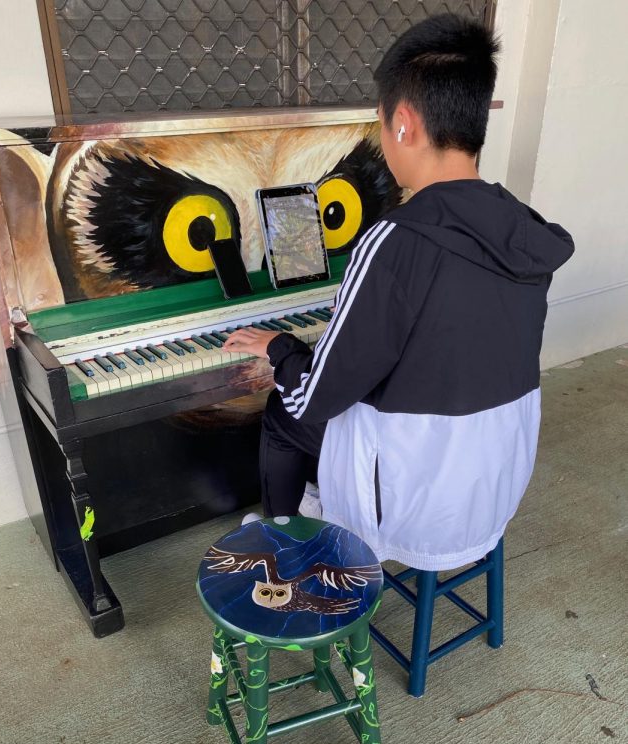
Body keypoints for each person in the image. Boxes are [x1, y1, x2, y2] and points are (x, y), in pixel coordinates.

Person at [223, 13, 574, 571]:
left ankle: (285, 550)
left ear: (404, 123)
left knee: (283, 412)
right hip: (490, 489)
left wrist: (280, 346)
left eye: (382, 124)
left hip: (409, 504)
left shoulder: (393, 240)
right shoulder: (522, 227)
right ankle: (316, 504)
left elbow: (316, 397)